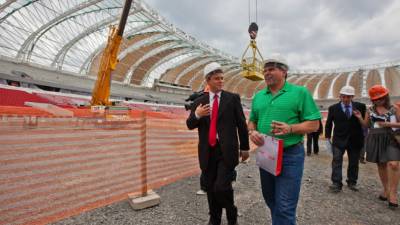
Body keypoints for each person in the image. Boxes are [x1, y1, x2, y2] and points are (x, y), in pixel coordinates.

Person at [248, 57, 321, 225]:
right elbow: (252, 121)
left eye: (271, 69)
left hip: (290, 155)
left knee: (285, 205)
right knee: (270, 199)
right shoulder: (258, 96)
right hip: (266, 152)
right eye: (265, 70)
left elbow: (314, 124)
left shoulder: (300, 93)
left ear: (284, 72)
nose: (266, 72)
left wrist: (291, 128)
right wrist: (252, 132)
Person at [186, 62, 250, 225]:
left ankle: (231, 215)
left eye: (222, 78)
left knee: (221, 187)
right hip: (208, 152)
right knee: (209, 187)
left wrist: (245, 147)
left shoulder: (232, 99)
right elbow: (190, 124)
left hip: (226, 151)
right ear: (208, 80)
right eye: (217, 79)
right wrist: (198, 115)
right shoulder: (199, 102)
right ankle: (214, 218)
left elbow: (241, 124)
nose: (221, 81)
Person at [353, 85, 400, 209]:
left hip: (391, 138)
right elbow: (366, 125)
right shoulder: (369, 110)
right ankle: (386, 190)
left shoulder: (394, 108)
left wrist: (388, 123)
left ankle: (393, 193)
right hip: (375, 138)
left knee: (394, 164)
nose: (379, 101)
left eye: (381, 98)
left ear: (386, 97)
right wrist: (359, 118)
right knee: (381, 164)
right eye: (376, 99)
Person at [325, 85, 366, 193]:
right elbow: (328, 124)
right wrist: (327, 138)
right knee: (337, 160)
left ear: (353, 96)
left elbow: (365, 123)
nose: (346, 99)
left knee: (354, 162)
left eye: (348, 97)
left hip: (355, 139)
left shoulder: (361, 106)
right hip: (339, 139)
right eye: (343, 96)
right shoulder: (333, 108)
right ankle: (336, 183)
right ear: (340, 96)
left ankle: (352, 182)